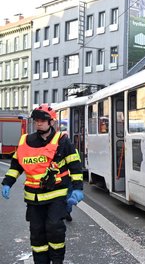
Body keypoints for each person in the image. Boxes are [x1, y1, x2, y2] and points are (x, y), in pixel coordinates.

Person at [1, 104, 84, 264]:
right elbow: (16, 166)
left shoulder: (62, 141)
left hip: (57, 195)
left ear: (51, 122)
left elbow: (75, 165)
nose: (39, 123)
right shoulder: (26, 141)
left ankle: (57, 261)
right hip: (33, 197)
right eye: (36, 120)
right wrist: (7, 183)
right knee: (37, 233)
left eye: (43, 120)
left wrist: (78, 188)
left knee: (55, 229)